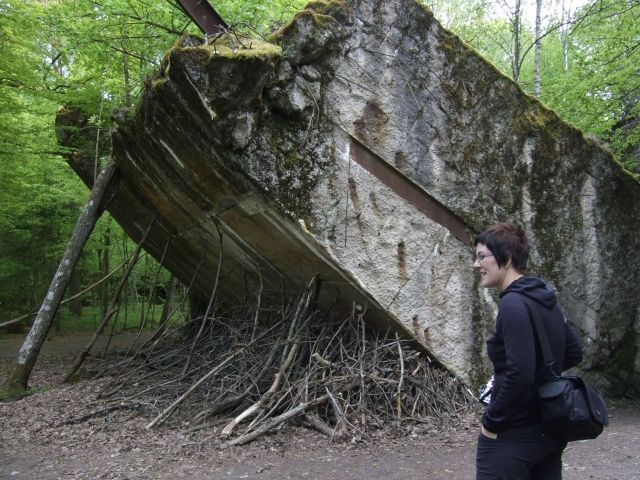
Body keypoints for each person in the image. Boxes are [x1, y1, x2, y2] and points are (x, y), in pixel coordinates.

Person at [473, 223, 583, 480]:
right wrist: (542, 385)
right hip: (548, 429)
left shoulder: (512, 304)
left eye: (481, 256)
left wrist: (491, 421)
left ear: (507, 258)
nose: (476, 265)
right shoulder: (544, 297)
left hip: (513, 434)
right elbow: (573, 352)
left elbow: (520, 372)